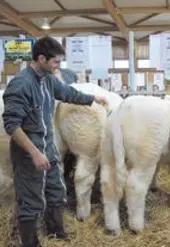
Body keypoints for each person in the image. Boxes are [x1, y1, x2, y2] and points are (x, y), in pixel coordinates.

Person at [2, 36, 108, 247]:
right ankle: (30, 242)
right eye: (56, 62)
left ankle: (55, 231)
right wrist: (34, 152)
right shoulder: (20, 84)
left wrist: (92, 99)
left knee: (57, 191)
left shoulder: (48, 80)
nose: (59, 66)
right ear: (41, 58)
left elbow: (67, 93)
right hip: (28, 154)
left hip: (48, 148)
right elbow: (12, 125)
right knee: (31, 200)